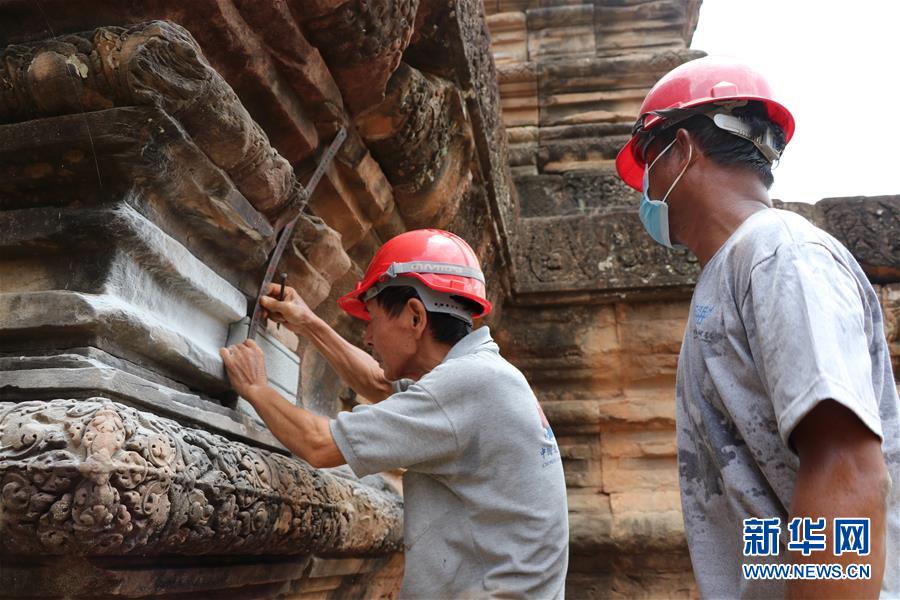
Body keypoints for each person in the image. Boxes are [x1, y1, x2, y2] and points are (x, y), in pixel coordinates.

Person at [615, 56, 899, 598]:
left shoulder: (782, 257)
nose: (643, 187)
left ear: (681, 151)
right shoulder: (733, 273)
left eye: (649, 159)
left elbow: (849, 470)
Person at [220, 229, 569, 599]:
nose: (368, 338)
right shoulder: (485, 375)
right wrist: (309, 323)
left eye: (371, 320)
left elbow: (319, 445)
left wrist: (257, 388)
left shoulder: (470, 383)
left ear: (415, 317)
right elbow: (380, 385)